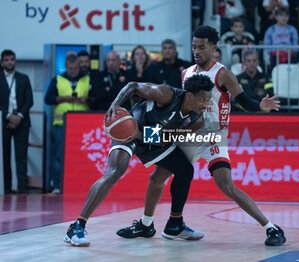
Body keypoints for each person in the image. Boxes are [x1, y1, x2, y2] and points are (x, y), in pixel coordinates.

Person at [117, 25, 286, 247]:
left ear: (214, 47)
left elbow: (243, 100)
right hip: (189, 132)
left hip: (213, 134)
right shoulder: (186, 73)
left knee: (226, 185)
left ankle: (271, 228)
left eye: (202, 47)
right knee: (157, 178)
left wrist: (260, 106)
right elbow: (182, 107)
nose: (197, 51)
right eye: (194, 46)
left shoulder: (222, 73)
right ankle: (149, 224)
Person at [64, 74, 214, 246]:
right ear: (189, 95)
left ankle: (172, 225)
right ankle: (77, 226)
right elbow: (133, 86)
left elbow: (167, 138)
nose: (205, 105)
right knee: (115, 171)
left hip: (152, 138)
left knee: (185, 170)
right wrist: (115, 105)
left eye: (208, 100)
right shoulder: (166, 94)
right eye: (202, 99)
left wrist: (142, 135)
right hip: (129, 129)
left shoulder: (197, 120)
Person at [44, 54, 90, 194]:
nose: (72, 71)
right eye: (70, 68)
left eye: (75, 68)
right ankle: (57, 184)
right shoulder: (58, 79)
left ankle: (81, 184)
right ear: (66, 66)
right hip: (61, 123)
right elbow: (48, 99)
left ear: (78, 66)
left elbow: (96, 98)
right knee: (58, 155)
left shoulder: (87, 79)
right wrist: (62, 98)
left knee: (81, 155)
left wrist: (86, 100)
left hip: (82, 123)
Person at [0, 49, 33, 194]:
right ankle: (6, 188)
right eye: (6, 60)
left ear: (15, 61)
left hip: (22, 121)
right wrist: (8, 115)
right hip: (4, 121)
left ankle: (22, 188)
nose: (9, 62)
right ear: (2, 62)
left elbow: (29, 100)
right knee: (5, 156)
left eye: (12, 59)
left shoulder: (23, 78)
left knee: (21, 156)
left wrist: (19, 116)